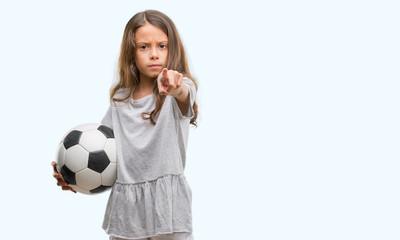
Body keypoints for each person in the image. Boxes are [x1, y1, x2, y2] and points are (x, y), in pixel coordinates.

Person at [52, 9, 198, 240]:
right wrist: (73, 175)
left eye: (162, 46)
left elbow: (185, 93)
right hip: (127, 211)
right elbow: (102, 150)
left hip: (168, 208)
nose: (154, 54)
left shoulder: (177, 91)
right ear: (131, 53)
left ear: (173, 49)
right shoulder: (120, 100)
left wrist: (175, 86)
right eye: (144, 47)